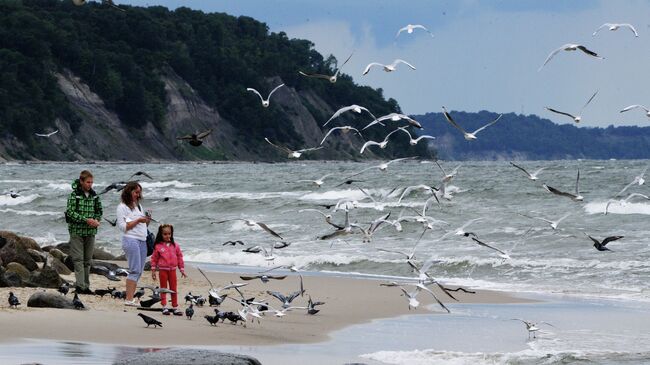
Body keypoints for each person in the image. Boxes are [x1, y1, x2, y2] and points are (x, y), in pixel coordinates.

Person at [65, 170, 103, 294]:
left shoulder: (95, 195)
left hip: (91, 232)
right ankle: (80, 286)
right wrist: (86, 220)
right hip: (76, 231)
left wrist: (96, 220)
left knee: (87, 260)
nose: (90, 184)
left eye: (91, 182)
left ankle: (86, 286)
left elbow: (99, 210)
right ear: (81, 181)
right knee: (78, 260)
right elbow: (70, 212)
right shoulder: (74, 195)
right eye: (88, 182)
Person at [116, 181, 150, 306]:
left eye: (139, 192)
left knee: (139, 271)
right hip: (130, 239)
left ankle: (130, 298)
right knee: (134, 270)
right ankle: (129, 299)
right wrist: (139, 220)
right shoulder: (122, 207)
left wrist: (146, 220)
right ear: (128, 191)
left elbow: (143, 226)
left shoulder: (138, 206)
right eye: (136, 192)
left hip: (142, 240)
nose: (138, 195)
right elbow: (123, 227)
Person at [150, 224, 187, 315]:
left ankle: (175, 307)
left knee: (173, 288)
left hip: (173, 270)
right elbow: (154, 259)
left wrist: (181, 269)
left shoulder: (175, 246)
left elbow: (179, 257)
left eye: (169, 234)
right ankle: (164, 306)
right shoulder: (158, 246)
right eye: (165, 234)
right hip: (163, 270)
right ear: (161, 234)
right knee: (163, 288)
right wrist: (153, 270)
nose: (167, 236)